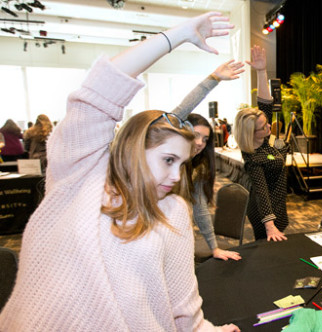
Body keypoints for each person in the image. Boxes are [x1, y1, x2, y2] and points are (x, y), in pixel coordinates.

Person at [0, 12, 240, 331]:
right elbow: (99, 90)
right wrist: (176, 36)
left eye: (182, 164)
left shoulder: (174, 211)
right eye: (168, 160)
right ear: (134, 148)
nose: (176, 174)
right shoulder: (80, 176)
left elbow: (184, 304)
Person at [170, 59, 244, 261]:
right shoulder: (164, 160)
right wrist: (213, 80)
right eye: (195, 135)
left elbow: (200, 209)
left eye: (205, 139)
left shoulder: (198, 168)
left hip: (181, 236)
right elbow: (179, 112)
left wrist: (214, 248)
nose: (200, 143)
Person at [234, 45, 289, 242]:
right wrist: (269, 225)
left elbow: (265, 103)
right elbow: (261, 192)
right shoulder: (254, 157)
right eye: (263, 127)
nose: (269, 128)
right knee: (267, 248)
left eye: (267, 123)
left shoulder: (264, 138)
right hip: (265, 211)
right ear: (251, 133)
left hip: (279, 203)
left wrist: (261, 70)